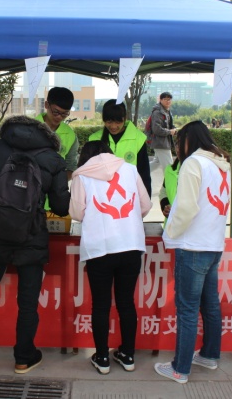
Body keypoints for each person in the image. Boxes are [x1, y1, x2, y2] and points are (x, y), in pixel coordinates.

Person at [0, 116, 70, 377]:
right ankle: (23, 358)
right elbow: (61, 207)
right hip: (31, 237)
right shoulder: (53, 158)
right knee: (28, 303)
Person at [154, 121, 231, 384]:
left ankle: (180, 368)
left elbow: (186, 208)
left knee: (187, 310)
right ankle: (209, 355)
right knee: (210, 305)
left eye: (179, 142)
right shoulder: (221, 164)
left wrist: (171, 233)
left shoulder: (193, 163)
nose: (177, 148)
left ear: (189, 140)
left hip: (193, 246)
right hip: (213, 244)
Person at [68, 141, 152, 375]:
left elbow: (76, 213)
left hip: (99, 248)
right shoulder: (130, 169)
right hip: (131, 244)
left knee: (101, 305)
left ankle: (102, 357)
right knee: (126, 302)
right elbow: (145, 205)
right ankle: (128, 355)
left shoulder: (82, 175)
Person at [89, 99, 151, 196]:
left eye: (118, 122)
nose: (113, 126)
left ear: (125, 118)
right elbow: (87, 173)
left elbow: (144, 173)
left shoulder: (138, 138)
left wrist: (145, 199)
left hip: (129, 195)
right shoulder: (94, 139)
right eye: (109, 122)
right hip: (101, 196)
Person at [36, 87, 78, 180]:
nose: (59, 117)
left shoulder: (70, 135)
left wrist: (58, 183)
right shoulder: (30, 127)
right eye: (56, 112)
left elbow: (71, 166)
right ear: (46, 105)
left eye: (65, 114)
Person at [148, 92, 177, 173]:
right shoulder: (158, 112)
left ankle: (139, 172)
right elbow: (156, 129)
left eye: (169, 99)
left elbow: (168, 125)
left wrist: (174, 130)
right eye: (165, 99)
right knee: (169, 166)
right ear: (160, 100)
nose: (168, 101)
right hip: (161, 143)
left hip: (162, 142)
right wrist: (169, 132)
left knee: (156, 162)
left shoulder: (166, 111)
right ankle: (169, 182)